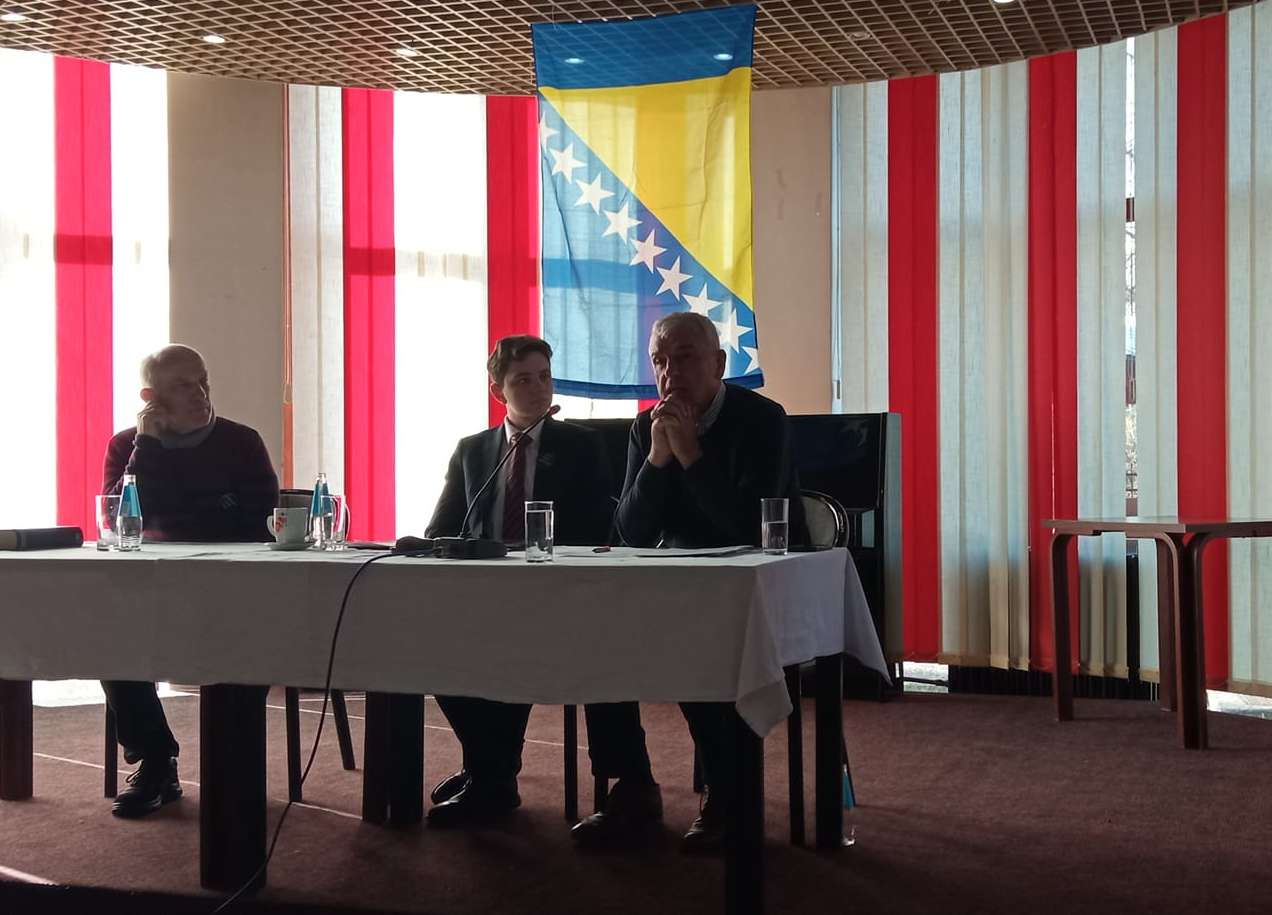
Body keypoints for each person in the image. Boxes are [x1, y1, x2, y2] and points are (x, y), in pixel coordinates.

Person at [572, 312, 806, 852]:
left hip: (758, 583)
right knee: (597, 637)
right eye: (659, 361)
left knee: (696, 644)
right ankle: (632, 786)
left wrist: (692, 456)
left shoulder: (762, 419)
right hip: (677, 581)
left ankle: (728, 795)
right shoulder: (645, 427)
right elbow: (631, 532)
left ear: (718, 364)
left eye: (684, 357)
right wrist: (657, 459)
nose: (670, 373)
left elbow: (748, 527)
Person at [423, 334, 613, 826]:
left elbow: (599, 531)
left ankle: (488, 774)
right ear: (498, 391)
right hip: (484, 593)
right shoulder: (473, 450)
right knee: (426, 648)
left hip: (556, 593)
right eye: (523, 380)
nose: (538, 389)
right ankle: (490, 768)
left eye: (544, 378)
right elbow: (441, 529)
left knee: (508, 649)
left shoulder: (582, 446)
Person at [100, 344, 279, 818]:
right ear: (150, 397)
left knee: (250, 636)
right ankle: (156, 761)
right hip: (155, 589)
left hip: (232, 589)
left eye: (203, 380)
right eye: (183, 385)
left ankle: (234, 764)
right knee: (111, 636)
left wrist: (182, 516)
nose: (200, 393)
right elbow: (120, 519)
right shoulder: (127, 446)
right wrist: (148, 449)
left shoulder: (242, 442)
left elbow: (262, 525)